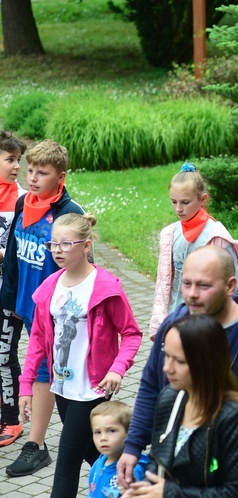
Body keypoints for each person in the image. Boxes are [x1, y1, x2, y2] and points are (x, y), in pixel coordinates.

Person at [119, 246, 238, 498]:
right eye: (187, 284)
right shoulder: (174, 326)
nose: (192, 295)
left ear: (230, 285)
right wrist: (133, 446)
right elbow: (151, 385)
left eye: (203, 286)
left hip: (236, 478)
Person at [17, 213, 141, 497]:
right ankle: (135, 483)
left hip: (92, 389)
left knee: (66, 466)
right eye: (53, 244)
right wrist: (27, 386)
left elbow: (132, 334)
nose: (57, 251)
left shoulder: (106, 287)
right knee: (92, 454)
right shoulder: (49, 287)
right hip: (61, 387)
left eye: (65, 244)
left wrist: (117, 369)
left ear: (86, 246)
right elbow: (36, 341)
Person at [1, 140, 85, 477]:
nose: (33, 177)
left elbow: (80, 266)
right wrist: (11, 301)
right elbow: (13, 258)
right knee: (38, 371)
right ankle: (51, 441)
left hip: (55, 310)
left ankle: (37, 444)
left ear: (60, 176)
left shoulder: (70, 212)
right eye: (30, 170)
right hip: (25, 304)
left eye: (42, 172)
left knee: (44, 374)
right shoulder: (24, 202)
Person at [123, 314, 238, 498]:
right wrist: (143, 490)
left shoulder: (235, 418)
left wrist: (169, 493)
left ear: (208, 363)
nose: (167, 368)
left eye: (180, 361)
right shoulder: (169, 398)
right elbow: (158, 462)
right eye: (166, 356)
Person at [149, 164, 238, 339]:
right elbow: (163, 282)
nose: (178, 209)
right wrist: (158, 323)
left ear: (203, 199)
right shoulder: (169, 234)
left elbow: (235, 288)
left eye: (185, 202)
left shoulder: (217, 236)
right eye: (173, 202)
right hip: (174, 319)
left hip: (207, 326)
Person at [0, 131, 27, 448]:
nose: (17, 166)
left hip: (11, 293)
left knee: (5, 355)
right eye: (10, 160)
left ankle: (11, 419)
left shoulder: (22, 199)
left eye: (18, 159)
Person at [89, 401, 148, 498]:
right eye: (97, 432)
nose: (103, 438)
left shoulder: (132, 469)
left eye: (111, 431)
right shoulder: (98, 463)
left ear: (129, 432)